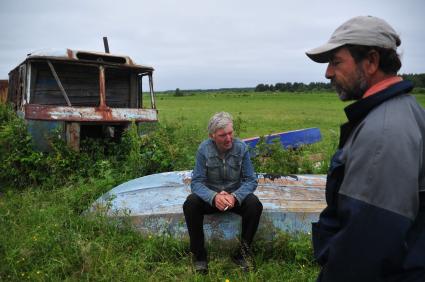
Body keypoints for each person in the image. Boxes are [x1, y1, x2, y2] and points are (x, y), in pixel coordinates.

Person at [305, 16, 425, 281]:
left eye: (336, 62)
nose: (328, 73)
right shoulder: (404, 111)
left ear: (371, 61)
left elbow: (365, 245)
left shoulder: (384, 132)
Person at [183, 111, 263, 274]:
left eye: (230, 133)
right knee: (190, 204)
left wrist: (235, 197)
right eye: (222, 135)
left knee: (255, 205)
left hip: (235, 198)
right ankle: (200, 257)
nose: (228, 138)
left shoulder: (242, 148)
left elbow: (251, 180)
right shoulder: (203, 150)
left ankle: (242, 254)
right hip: (212, 198)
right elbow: (196, 182)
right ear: (212, 136)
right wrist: (213, 197)